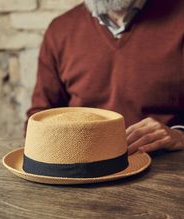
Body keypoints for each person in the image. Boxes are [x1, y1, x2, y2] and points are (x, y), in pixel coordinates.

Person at [26, 0, 184, 155]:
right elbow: (40, 116)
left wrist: (180, 135)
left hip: (165, 165)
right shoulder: (60, 29)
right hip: (81, 168)